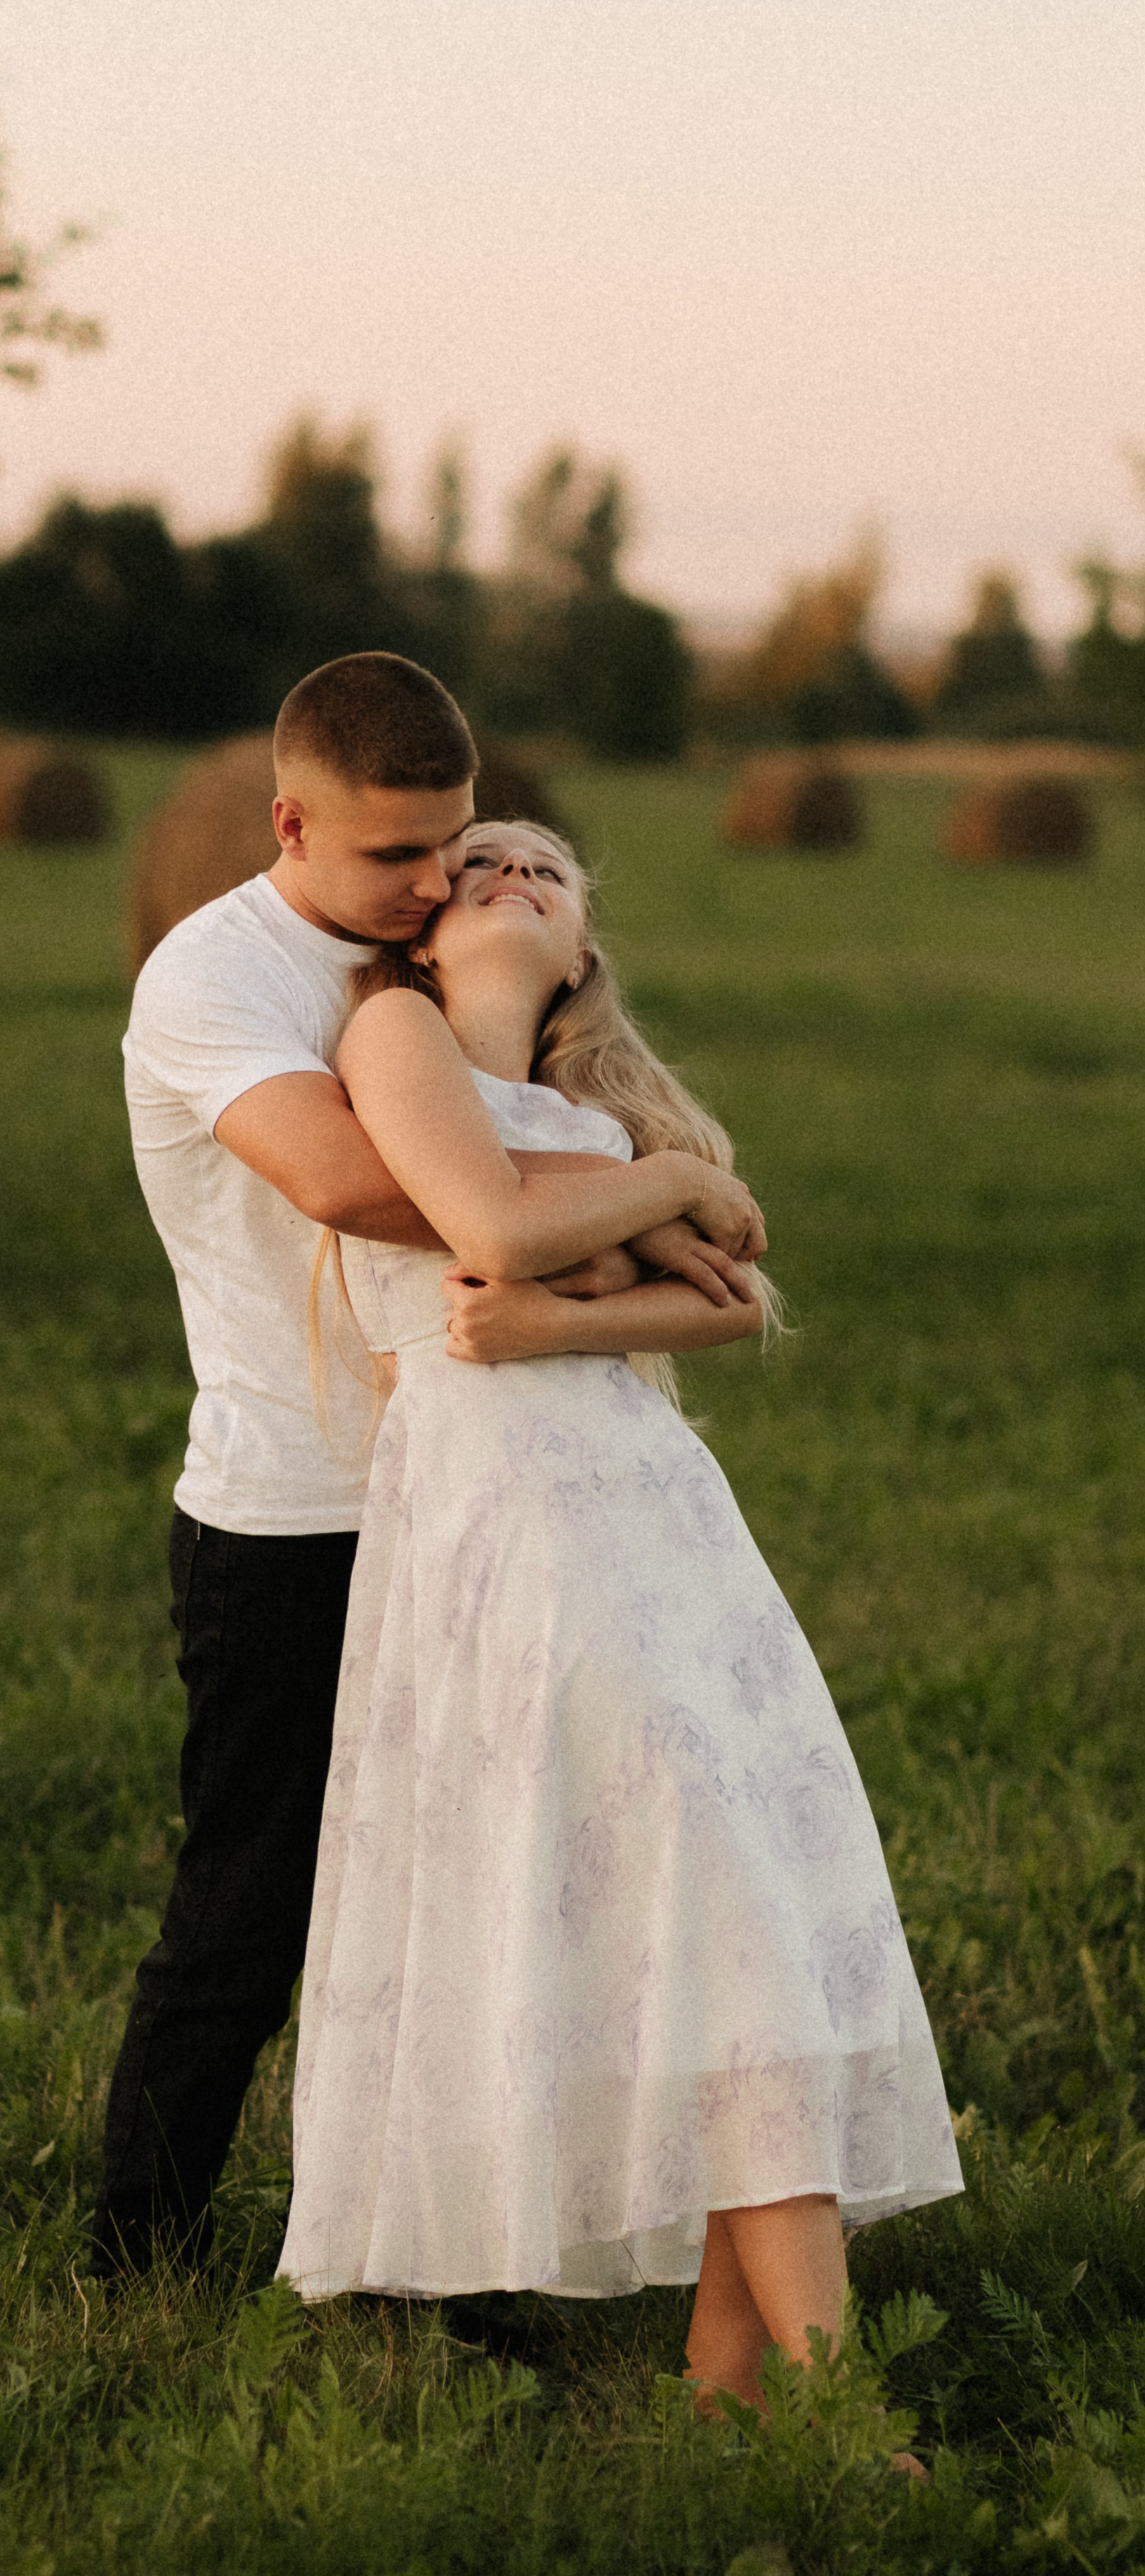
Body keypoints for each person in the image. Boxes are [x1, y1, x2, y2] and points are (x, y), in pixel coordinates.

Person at [275, 818, 962, 2412]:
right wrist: (660, 1189)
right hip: (507, 1531)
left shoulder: (580, 1113)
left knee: (741, 1912)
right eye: (482, 861)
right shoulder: (393, 1038)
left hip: (657, 1523)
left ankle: (740, 2381)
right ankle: (820, 2415)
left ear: (577, 952)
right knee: (718, 1907)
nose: (513, 874)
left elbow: (728, 1300)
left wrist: (547, 1312)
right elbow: (498, 1232)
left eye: (552, 870)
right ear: (426, 931)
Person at [93, 657, 766, 2278]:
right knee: (247, 1923)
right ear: (286, 823)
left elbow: (513, 1198)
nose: (435, 880)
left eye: (454, 843)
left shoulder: (453, 967)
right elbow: (357, 1180)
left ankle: (464, 2269)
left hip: (489, 1504)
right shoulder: (216, 978)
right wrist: (659, 1197)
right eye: (394, 854)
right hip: (298, 1511)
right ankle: (136, 2262)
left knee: (480, 1913)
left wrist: (591, 1222)